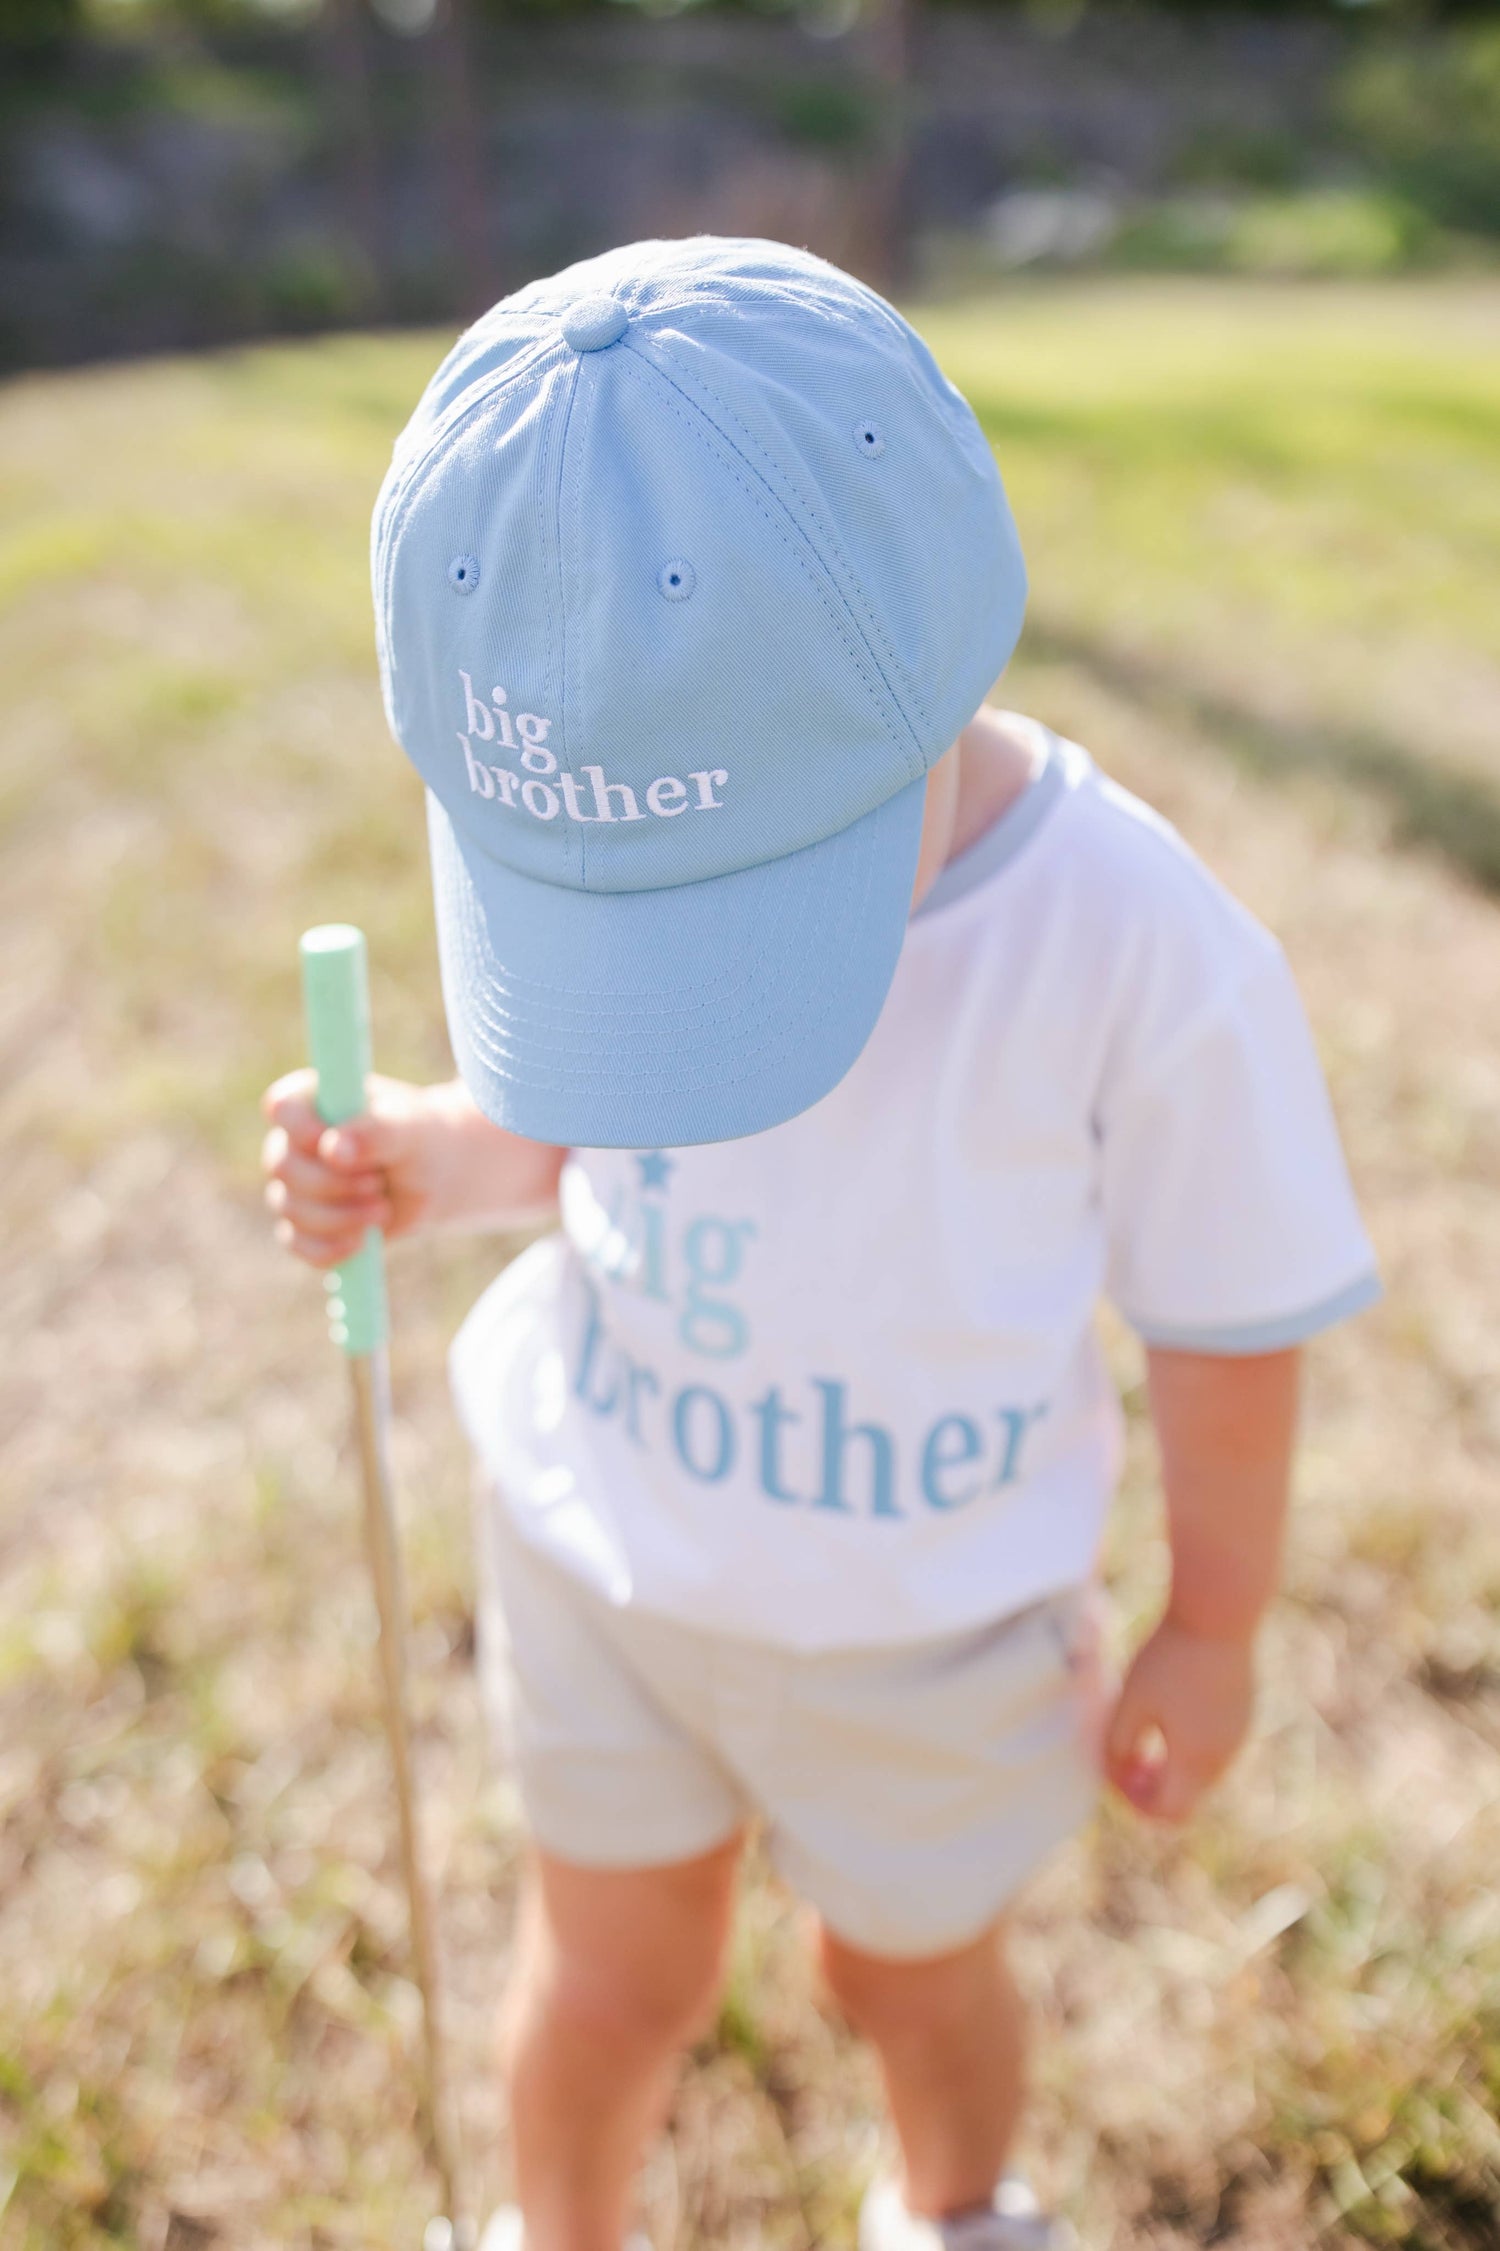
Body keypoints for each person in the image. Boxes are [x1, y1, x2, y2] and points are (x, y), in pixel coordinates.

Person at [261, 238, 1379, 2251]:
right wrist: (436, 1153)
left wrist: (1214, 1618)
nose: (665, 980)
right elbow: (581, 1108)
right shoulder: (608, 764)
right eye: (615, 925)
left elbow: (1230, 1312)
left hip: (929, 1629)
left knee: (908, 1977)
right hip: (608, 1558)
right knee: (608, 1977)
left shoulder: (1135, 946)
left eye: (718, 915)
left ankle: (959, 2211)